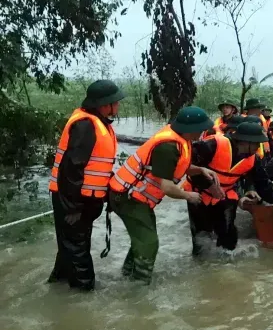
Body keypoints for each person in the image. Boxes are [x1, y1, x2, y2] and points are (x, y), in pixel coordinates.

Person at [108, 106, 221, 285]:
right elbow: (167, 187)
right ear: (189, 129)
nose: (203, 131)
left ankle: (127, 275)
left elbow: (176, 167)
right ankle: (139, 287)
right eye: (200, 128)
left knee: (143, 239)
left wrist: (200, 169)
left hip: (136, 198)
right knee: (149, 242)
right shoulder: (167, 147)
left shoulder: (180, 140)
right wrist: (188, 195)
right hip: (127, 197)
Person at [47, 80, 125, 291]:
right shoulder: (86, 125)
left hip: (83, 199)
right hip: (72, 199)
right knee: (77, 249)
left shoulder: (98, 124)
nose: (117, 106)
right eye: (115, 102)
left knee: (71, 247)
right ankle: (83, 296)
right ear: (103, 104)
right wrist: (73, 208)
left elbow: (94, 167)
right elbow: (70, 170)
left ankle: (57, 287)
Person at [183, 122, 273, 254]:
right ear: (245, 142)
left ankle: (227, 265)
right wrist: (210, 186)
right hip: (198, 194)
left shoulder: (253, 160)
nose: (258, 147)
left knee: (228, 234)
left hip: (225, 196)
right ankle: (202, 265)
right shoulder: (212, 145)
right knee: (201, 236)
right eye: (256, 143)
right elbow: (187, 165)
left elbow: (262, 183)